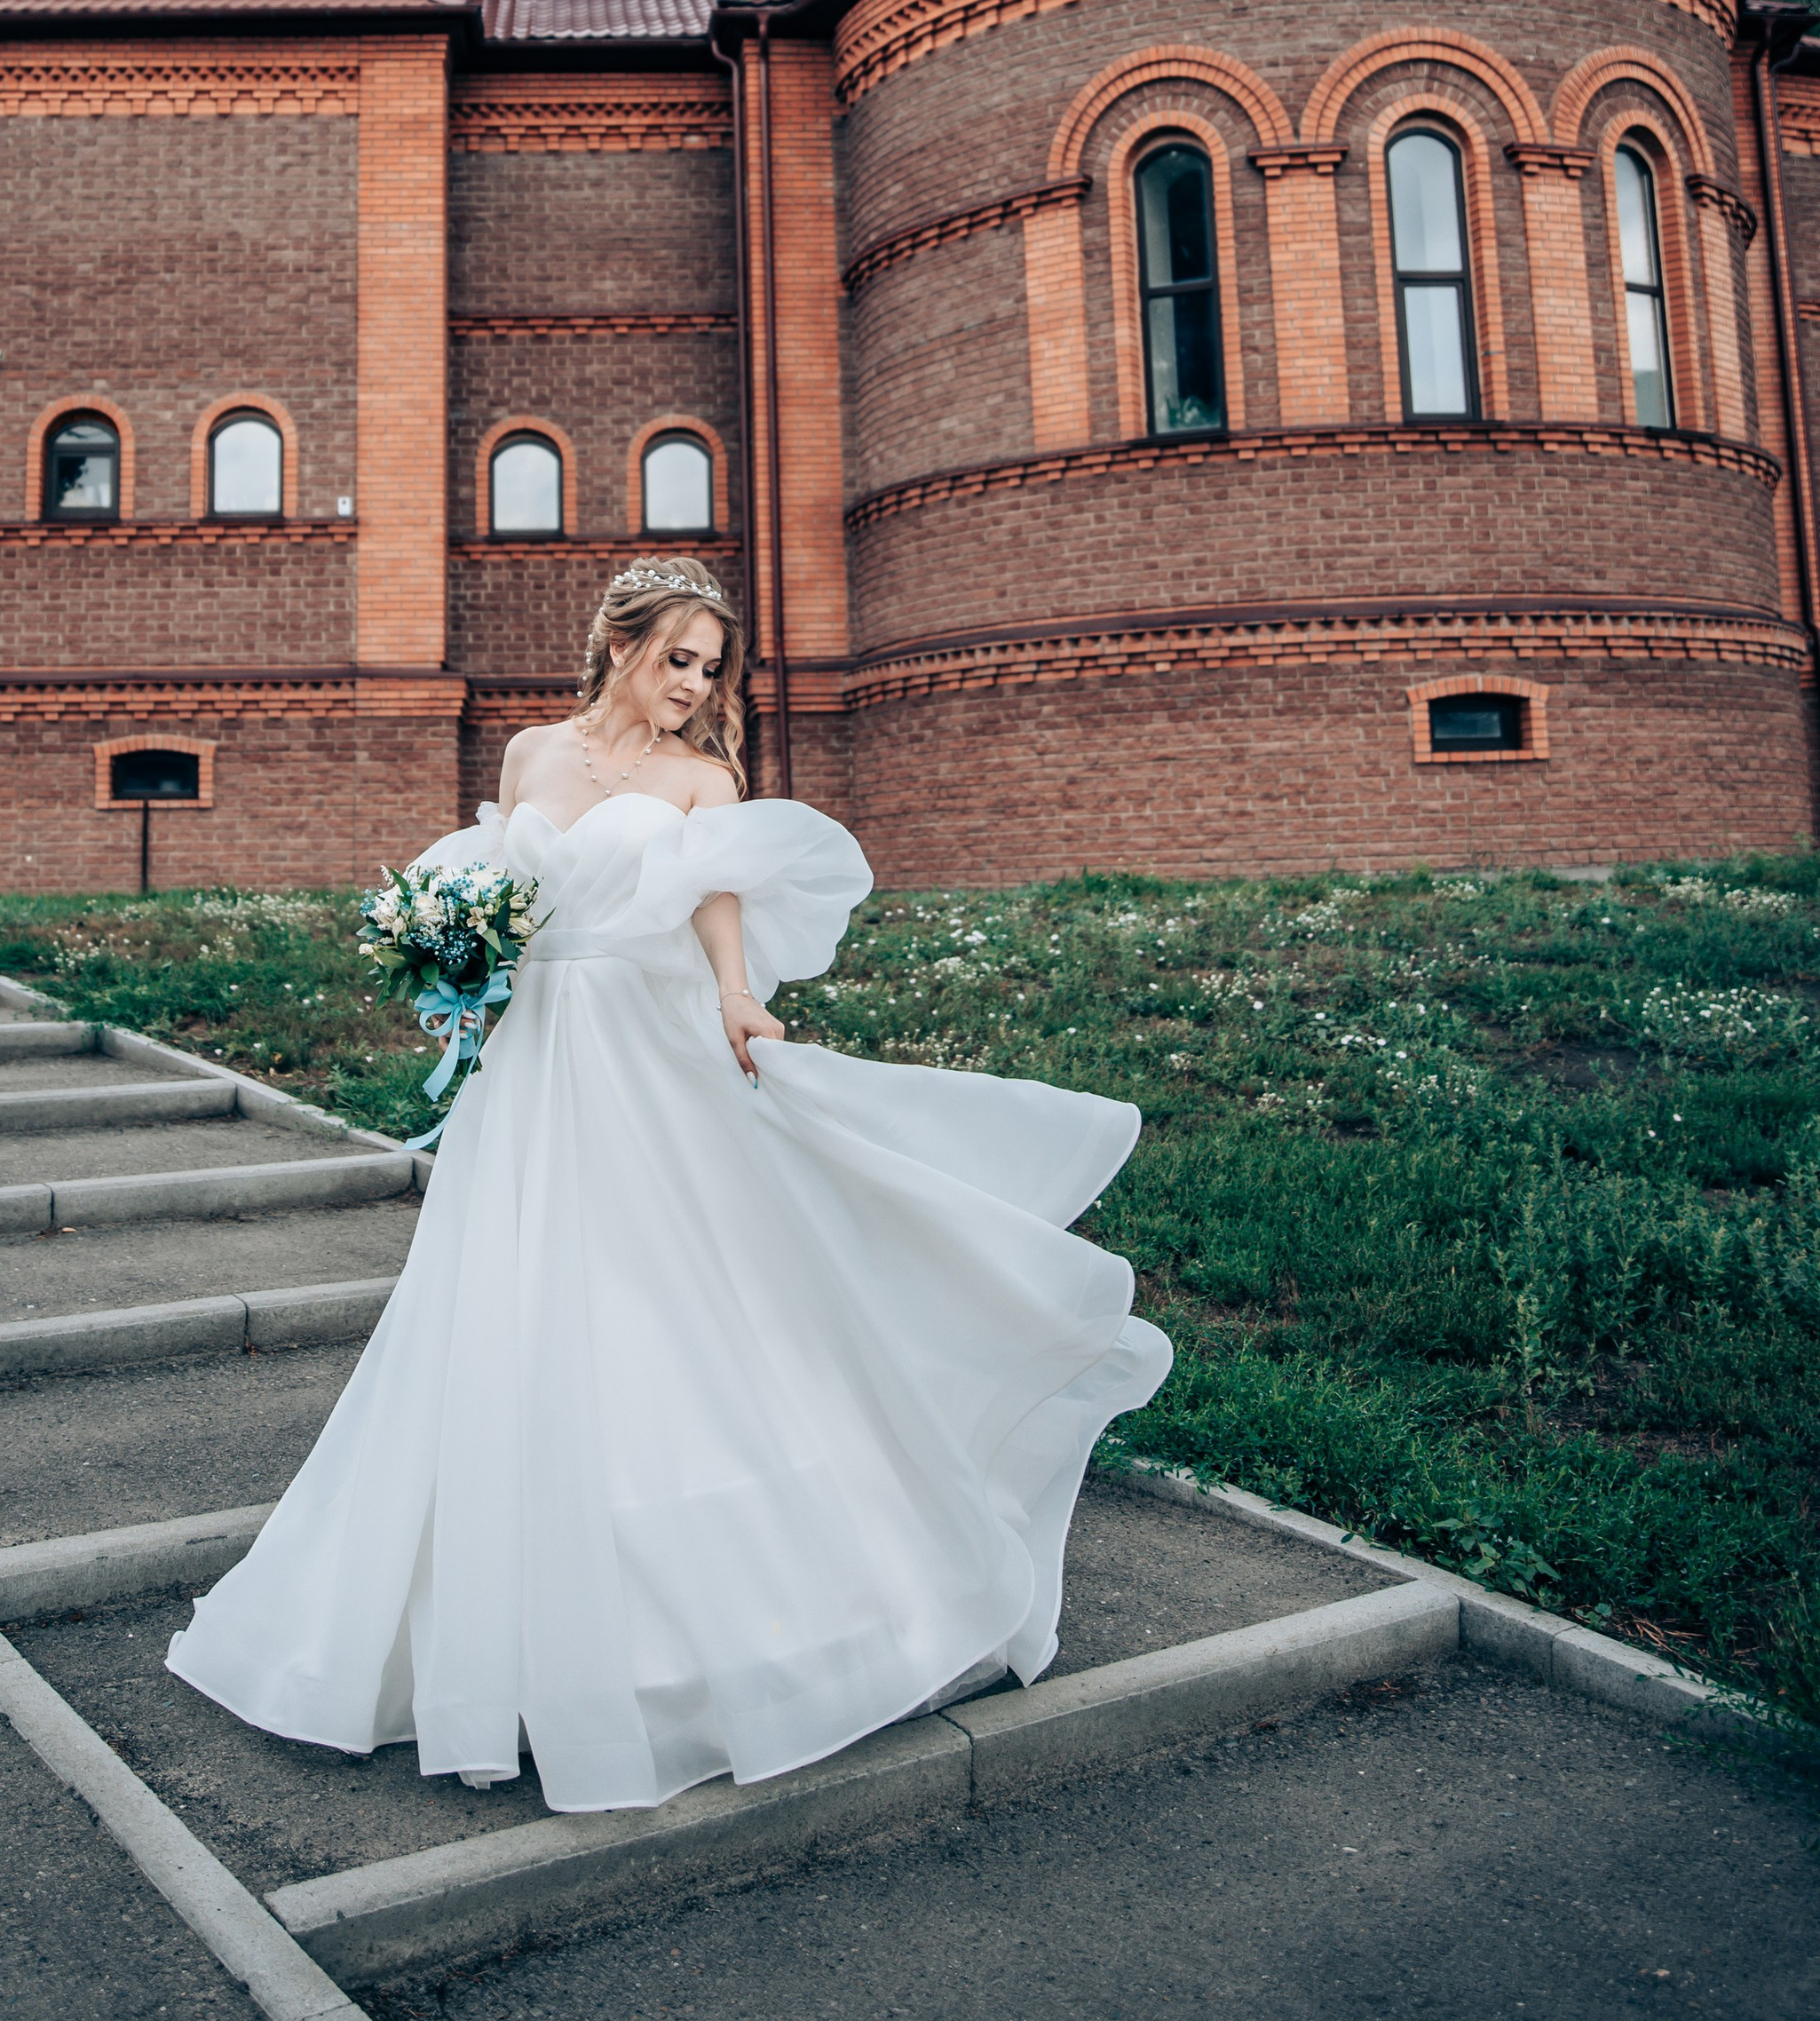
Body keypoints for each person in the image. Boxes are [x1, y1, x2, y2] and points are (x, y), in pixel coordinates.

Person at [164, 556, 1170, 1812]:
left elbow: (713, 901)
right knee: (513, 1293)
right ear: (621, 644)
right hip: (533, 1057)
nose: (694, 686)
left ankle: (733, 1627)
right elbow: (495, 891)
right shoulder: (533, 755)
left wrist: (742, 1001)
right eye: (676, 658)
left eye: (710, 666)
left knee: (668, 1288)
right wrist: (453, 951)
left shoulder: (704, 781)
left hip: (648, 1045)